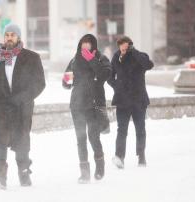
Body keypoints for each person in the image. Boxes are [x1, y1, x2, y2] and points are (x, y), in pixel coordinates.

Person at [0, 23, 46, 189]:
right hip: (1, 108)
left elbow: (40, 84)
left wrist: (22, 98)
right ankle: (0, 176)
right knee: (0, 141)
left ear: (18, 37)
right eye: (7, 35)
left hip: (22, 108)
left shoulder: (31, 58)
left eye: (12, 35)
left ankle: (24, 171)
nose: (9, 38)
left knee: (22, 140)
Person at [62, 34, 111, 183]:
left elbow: (105, 75)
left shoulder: (101, 58)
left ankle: (100, 166)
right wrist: (66, 81)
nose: (85, 46)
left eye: (88, 44)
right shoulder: (75, 59)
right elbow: (67, 82)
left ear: (93, 45)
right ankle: (84, 173)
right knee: (81, 138)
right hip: (77, 105)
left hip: (93, 105)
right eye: (83, 44)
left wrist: (91, 59)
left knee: (93, 137)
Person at [107, 36, 154, 169]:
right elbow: (109, 76)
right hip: (122, 100)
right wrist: (117, 86)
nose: (123, 50)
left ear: (130, 46)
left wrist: (133, 52)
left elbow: (149, 65)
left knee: (140, 129)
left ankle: (141, 156)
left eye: (126, 48)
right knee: (121, 130)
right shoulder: (116, 57)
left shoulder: (139, 56)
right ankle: (119, 157)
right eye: (121, 48)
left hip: (138, 99)